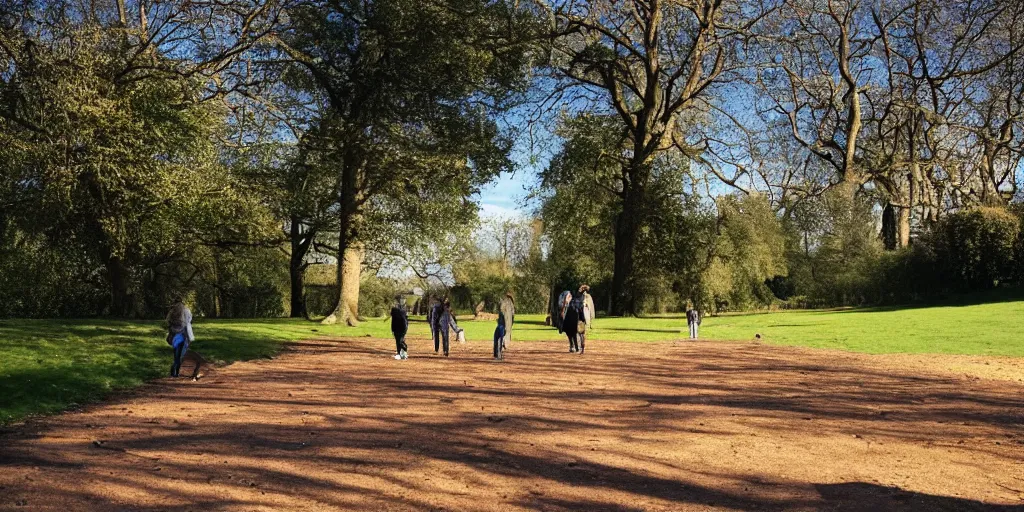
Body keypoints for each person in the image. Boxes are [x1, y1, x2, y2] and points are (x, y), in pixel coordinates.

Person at [166, 299, 195, 378]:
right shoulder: (186, 311)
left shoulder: (172, 312)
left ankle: (174, 371)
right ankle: (176, 372)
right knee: (180, 356)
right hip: (182, 335)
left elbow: (168, 323)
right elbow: (189, 321)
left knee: (176, 354)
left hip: (174, 336)